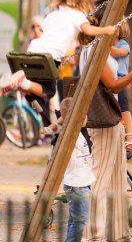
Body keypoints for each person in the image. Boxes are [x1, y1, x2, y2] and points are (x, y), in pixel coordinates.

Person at [77, 12, 132, 241]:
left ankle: (118, 234)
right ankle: (92, 234)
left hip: (111, 120)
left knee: (116, 178)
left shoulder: (94, 49)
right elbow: (114, 86)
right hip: (103, 120)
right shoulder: (98, 50)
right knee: (99, 177)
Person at [0, 0, 116, 100]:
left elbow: (44, 31)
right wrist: (107, 30)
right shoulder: (77, 15)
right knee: (49, 91)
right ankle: (20, 82)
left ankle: (12, 83)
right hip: (48, 55)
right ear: (82, 0)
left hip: (33, 49)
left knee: (34, 89)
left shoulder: (53, 15)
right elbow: (89, 31)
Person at [48, 97, 94, 242]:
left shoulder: (79, 131)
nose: (87, 116)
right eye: (84, 113)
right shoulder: (68, 134)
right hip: (77, 185)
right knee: (80, 220)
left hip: (83, 182)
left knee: (75, 219)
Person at [110, 22, 132, 151]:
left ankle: (130, 135)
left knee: (124, 108)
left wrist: (105, 45)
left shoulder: (123, 44)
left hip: (120, 79)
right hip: (108, 80)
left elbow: (119, 53)